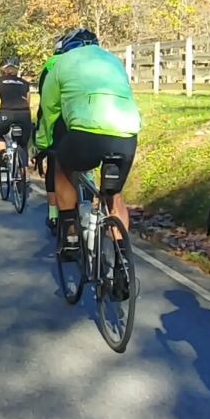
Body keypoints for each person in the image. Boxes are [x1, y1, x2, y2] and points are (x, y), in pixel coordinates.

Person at [34, 27, 140, 253]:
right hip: (126, 132)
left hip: (86, 133)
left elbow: (49, 110)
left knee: (63, 168)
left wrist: (43, 144)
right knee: (115, 195)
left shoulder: (59, 63)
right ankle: (122, 262)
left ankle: (70, 233)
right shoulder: (113, 61)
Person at [0, 57, 34, 157]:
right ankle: (24, 169)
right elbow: (27, 101)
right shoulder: (25, 83)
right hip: (24, 114)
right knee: (23, 143)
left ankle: (3, 152)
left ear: (4, 69)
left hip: (6, 113)